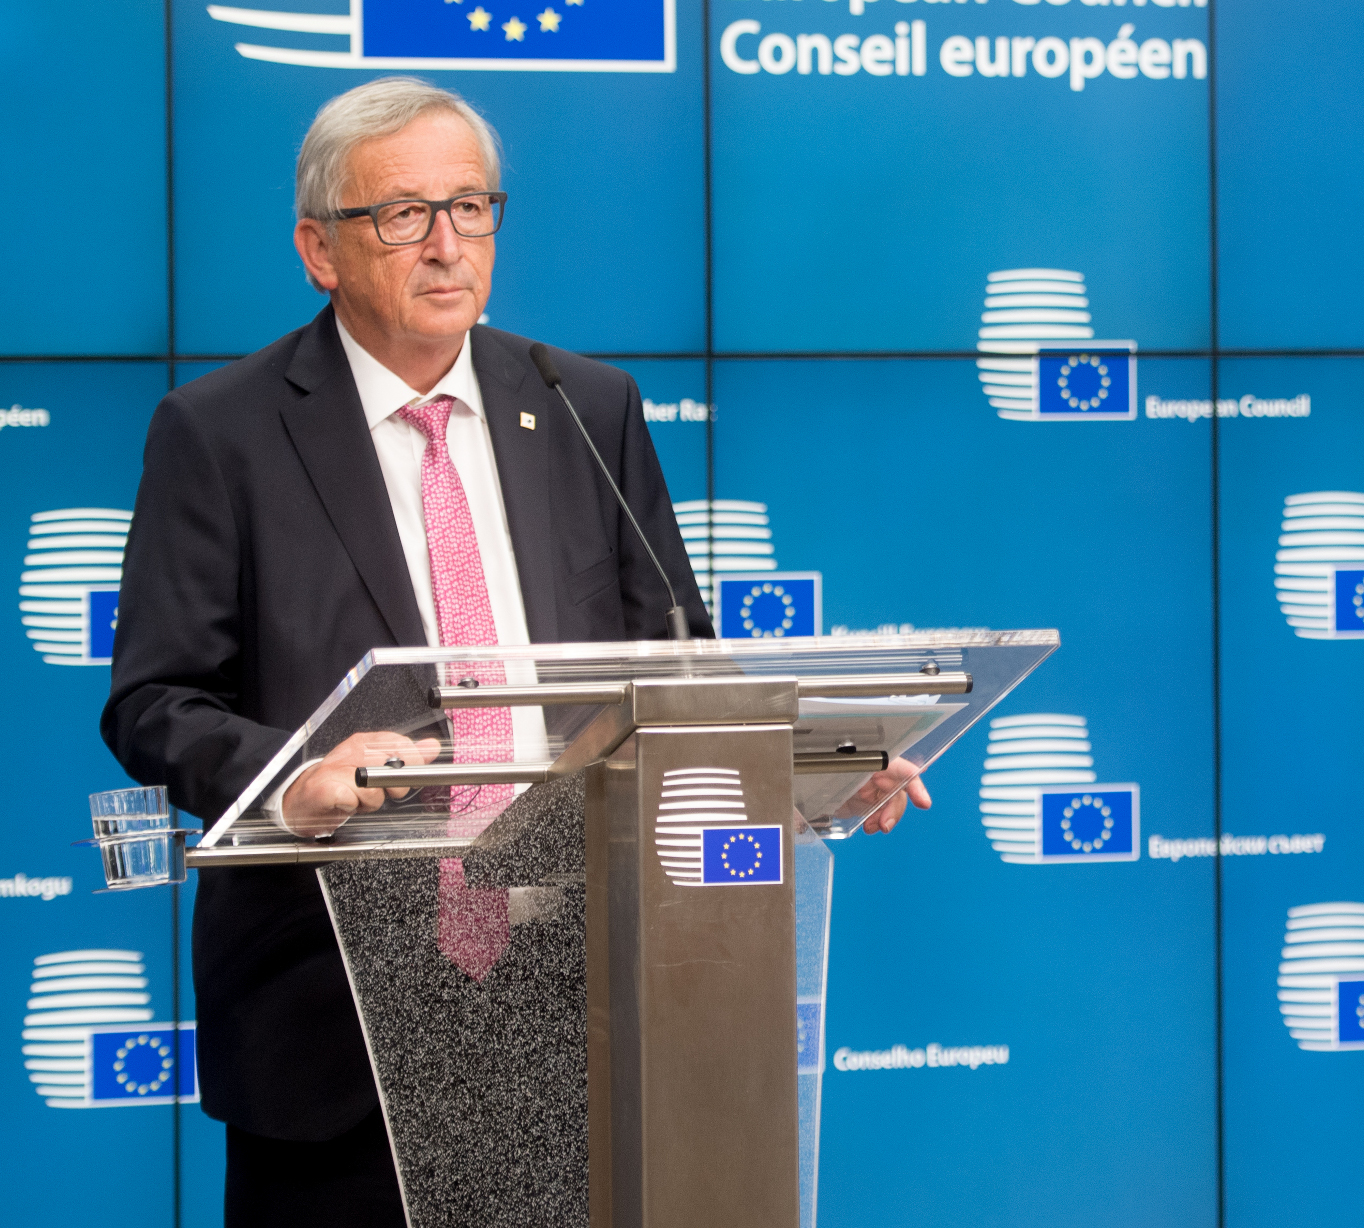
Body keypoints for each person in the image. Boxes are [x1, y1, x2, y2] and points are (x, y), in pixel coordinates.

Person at [98, 77, 927, 1228]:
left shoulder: (584, 403)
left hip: (585, 991)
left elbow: (678, 667)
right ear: (319, 249)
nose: (447, 245)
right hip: (335, 1010)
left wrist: (812, 761)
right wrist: (300, 774)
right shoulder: (222, 431)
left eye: (472, 207)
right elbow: (156, 699)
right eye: (403, 215)